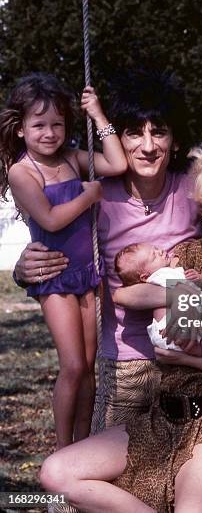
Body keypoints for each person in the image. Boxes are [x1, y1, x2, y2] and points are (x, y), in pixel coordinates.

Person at [39, 132, 202, 512]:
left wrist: (190, 360)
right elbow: (125, 294)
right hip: (166, 419)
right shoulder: (194, 252)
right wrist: (182, 293)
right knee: (57, 474)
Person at [13, 69, 202, 428]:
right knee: (117, 466)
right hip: (124, 366)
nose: (147, 147)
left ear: (175, 140)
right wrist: (23, 269)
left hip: (189, 359)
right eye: (134, 133)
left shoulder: (195, 190)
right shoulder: (94, 196)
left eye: (159, 131)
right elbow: (55, 237)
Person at [0, 73, 127, 449]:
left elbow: (118, 164)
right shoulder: (22, 172)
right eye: (38, 125)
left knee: (88, 367)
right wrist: (90, 196)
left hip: (87, 272)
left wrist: (99, 116)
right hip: (54, 276)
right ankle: (61, 449)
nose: (49, 133)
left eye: (57, 124)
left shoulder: (72, 157)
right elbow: (51, 219)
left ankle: (83, 445)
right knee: (72, 366)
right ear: (21, 129)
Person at [114, 241, 202, 367]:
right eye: (154, 256)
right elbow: (189, 292)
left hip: (177, 326)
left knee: (198, 339)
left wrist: (198, 278)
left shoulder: (169, 271)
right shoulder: (158, 277)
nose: (160, 251)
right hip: (168, 328)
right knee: (197, 340)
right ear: (145, 277)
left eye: (156, 248)